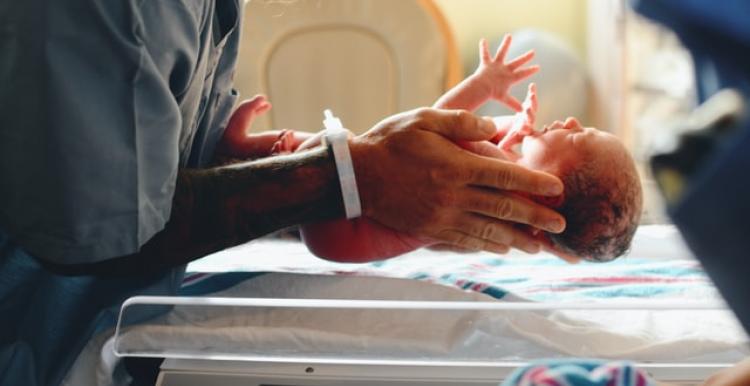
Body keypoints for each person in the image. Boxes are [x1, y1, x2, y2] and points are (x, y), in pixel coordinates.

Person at [0, 3, 567, 384]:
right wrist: (348, 173)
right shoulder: (108, 14)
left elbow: (126, 165)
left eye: (577, 140)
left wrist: (214, 157)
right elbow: (104, 228)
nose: (565, 124)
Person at [229, 41, 642, 263]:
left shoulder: (495, 175)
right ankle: (247, 152)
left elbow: (432, 126)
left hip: (346, 223)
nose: (569, 122)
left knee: (321, 145)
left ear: (549, 194)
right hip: (343, 238)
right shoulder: (510, 206)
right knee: (322, 147)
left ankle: (242, 149)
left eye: (576, 137)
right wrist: (517, 133)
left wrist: (484, 86)